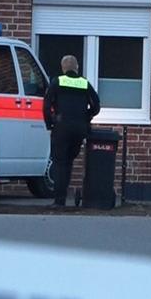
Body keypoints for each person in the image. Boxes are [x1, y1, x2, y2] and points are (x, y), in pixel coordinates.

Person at [43, 55, 100, 207]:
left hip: (62, 128)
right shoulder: (84, 83)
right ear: (77, 68)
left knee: (59, 162)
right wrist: (86, 117)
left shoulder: (57, 82)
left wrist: (51, 123)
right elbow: (97, 105)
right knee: (68, 162)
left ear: (63, 68)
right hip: (79, 130)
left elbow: (46, 106)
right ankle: (63, 197)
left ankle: (59, 200)